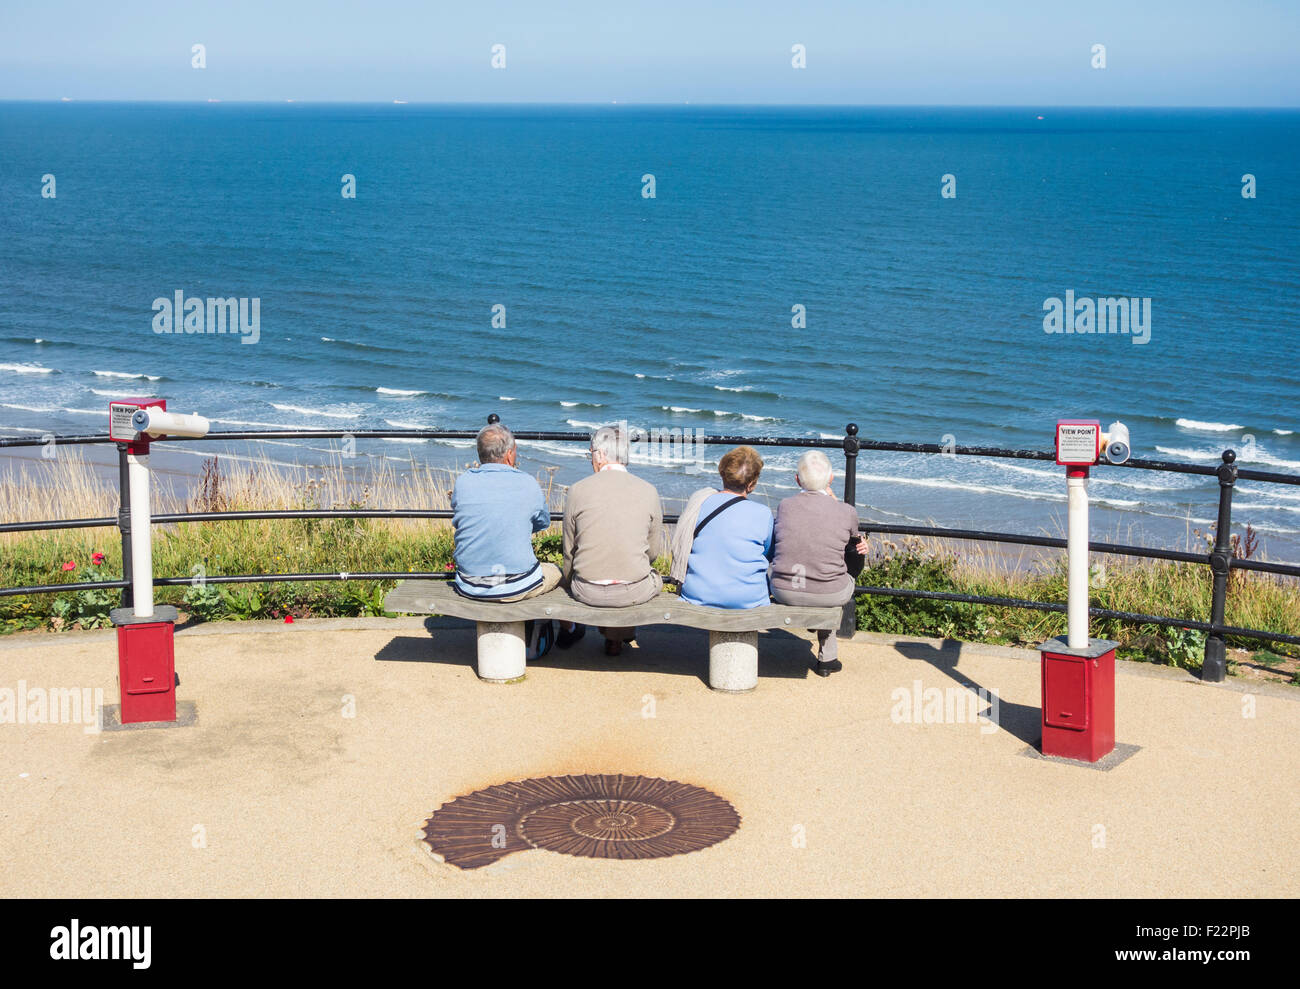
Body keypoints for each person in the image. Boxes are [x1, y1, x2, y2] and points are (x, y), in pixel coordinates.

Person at [560, 424, 667, 656]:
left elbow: (569, 550)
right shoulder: (648, 490)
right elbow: (653, 552)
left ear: (600, 455)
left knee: (610, 573)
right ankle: (618, 638)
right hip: (634, 591)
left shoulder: (578, 490)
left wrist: (569, 582)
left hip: (586, 590)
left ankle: (614, 637)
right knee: (644, 576)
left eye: (591, 454)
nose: (590, 459)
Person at [770, 450, 869, 676]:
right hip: (830, 592)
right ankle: (827, 659)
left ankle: (829, 655)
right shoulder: (847, 511)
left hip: (785, 591)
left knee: (819, 564)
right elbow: (854, 542)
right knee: (837, 568)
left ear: (797, 480)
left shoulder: (785, 505)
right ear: (831, 479)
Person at [450, 422, 561, 603]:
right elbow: (543, 522)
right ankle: (568, 629)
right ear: (509, 455)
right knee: (557, 572)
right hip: (517, 584)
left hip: (470, 584)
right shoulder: (528, 483)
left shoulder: (463, 483)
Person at [678, 446, 773, 609]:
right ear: (752, 484)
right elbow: (767, 553)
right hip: (749, 599)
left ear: (723, 473)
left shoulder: (701, 502)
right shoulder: (763, 513)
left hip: (697, 593)